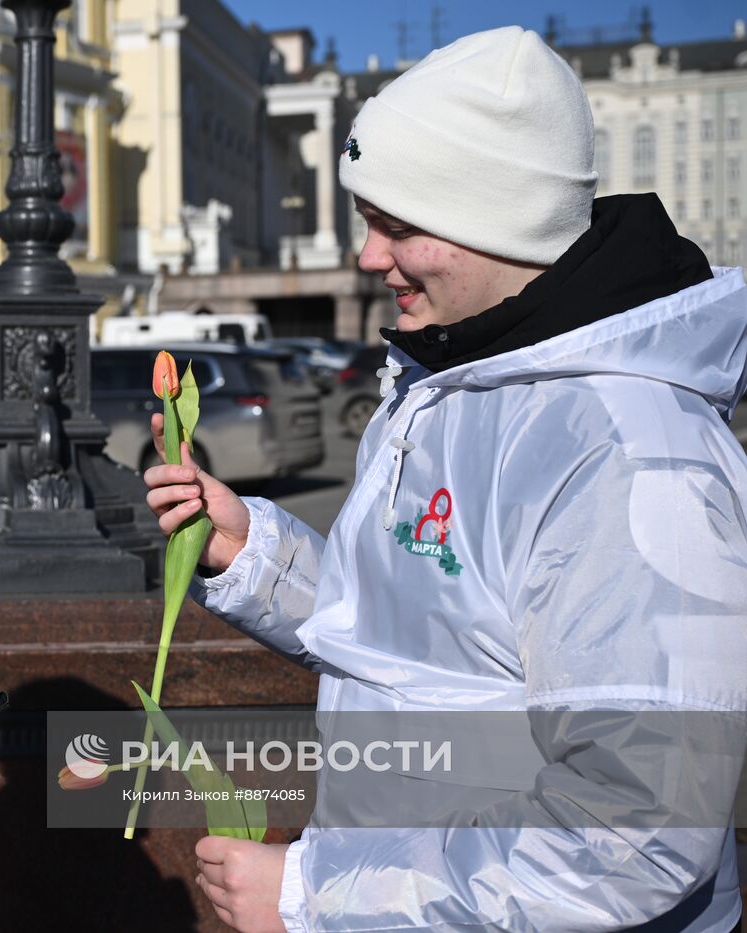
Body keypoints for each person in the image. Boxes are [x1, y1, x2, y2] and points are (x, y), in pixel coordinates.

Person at [145, 26, 747, 933]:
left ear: (494, 220)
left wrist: (320, 895)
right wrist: (253, 554)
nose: (366, 257)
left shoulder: (625, 449)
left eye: (397, 225)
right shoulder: (451, 383)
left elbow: (639, 828)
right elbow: (431, 647)